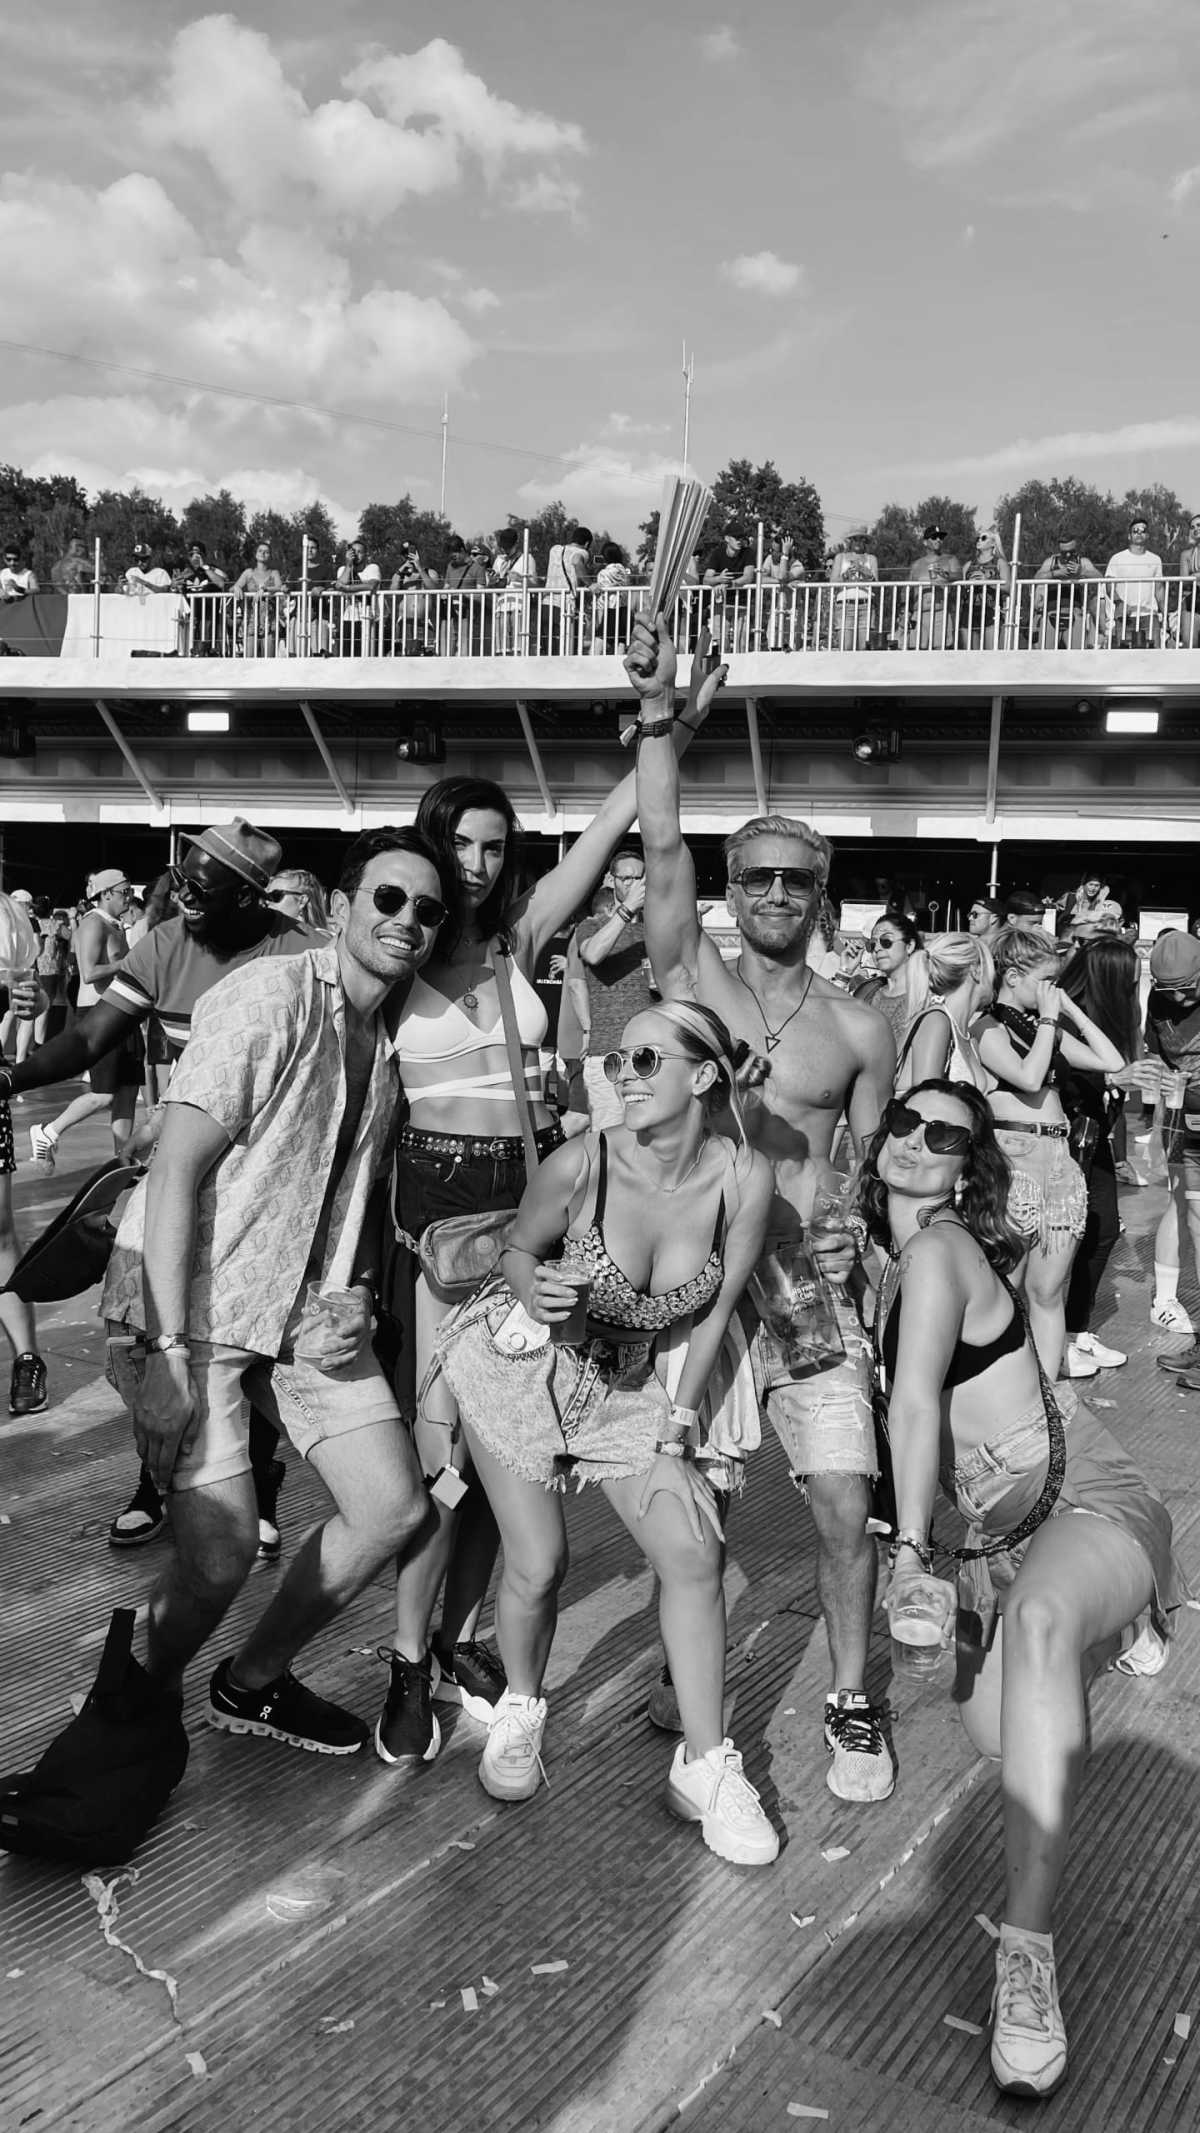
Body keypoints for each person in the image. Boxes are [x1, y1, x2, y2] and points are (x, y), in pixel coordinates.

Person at [378, 656, 729, 1769]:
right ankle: (407, 1659)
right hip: (439, 1208)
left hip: (528, 1192)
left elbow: (614, 825)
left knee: (512, 1450)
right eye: (460, 844)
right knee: (443, 1454)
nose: (477, 865)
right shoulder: (395, 950)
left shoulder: (517, 939)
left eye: (494, 847)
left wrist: (667, 729)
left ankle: (462, 1640)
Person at [97, 828, 451, 1761]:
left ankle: (249, 1683)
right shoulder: (271, 996)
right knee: (217, 1559)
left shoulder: (389, 1041)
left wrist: (360, 1289)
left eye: (426, 909)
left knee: (391, 1509)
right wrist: (168, 1354)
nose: (407, 920)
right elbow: (173, 1172)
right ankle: (135, 1711)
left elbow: (345, 1189)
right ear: (337, 907)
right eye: (387, 898)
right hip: (192, 1308)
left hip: (303, 1309)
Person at [862, 1078, 1178, 2098]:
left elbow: (915, 1405)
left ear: (971, 1167)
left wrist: (909, 1551)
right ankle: (1101, 1618)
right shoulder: (886, 1262)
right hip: (998, 1537)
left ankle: (1027, 1961)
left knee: (1042, 1623)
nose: (916, 1141)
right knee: (1004, 1737)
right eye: (903, 1122)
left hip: (1084, 1494)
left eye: (944, 1134)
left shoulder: (939, 1249)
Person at [632, 613, 899, 1804]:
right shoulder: (694, 979)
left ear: (822, 895)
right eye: (758, 877)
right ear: (731, 892)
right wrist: (658, 720)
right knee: (697, 1502)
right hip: (704, 1286)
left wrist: (865, 1227)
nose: (777, 892)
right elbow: (659, 843)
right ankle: (684, 1671)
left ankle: (850, 1698)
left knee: (844, 1500)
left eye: (798, 878)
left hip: (808, 1294)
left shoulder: (861, 1027)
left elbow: (875, 1163)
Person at [436, 1000, 778, 1862]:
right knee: (538, 1563)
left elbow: (716, 1313)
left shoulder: (744, 1177)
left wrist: (676, 1435)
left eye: (646, 1060)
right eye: (619, 1060)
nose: (624, 1075)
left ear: (704, 1075)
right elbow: (516, 1248)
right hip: (519, 1366)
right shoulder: (581, 1160)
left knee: (695, 1551)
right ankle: (522, 1707)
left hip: (625, 1387)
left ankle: (706, 1764)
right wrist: (532, 1284)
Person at [2, 821, 324, 1548]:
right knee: (146, 1329)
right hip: (182, 1166)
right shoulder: (168, 943)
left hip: (270, 1182)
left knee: (251, 1341)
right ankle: (156, 1480)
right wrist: (10, 1077)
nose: (185, 899)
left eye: (204, 890)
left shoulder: (303, 955)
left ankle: (258, 1486)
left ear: (250, 896)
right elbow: (90, 1038)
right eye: (182, 882)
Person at [972, 926, 1123, 1381]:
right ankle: (1004, 1385)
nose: (1052, 990)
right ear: (1013, 976)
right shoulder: (987, 1027)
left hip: (1059, 1158)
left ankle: (1047, 1387)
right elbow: (1028, 1077)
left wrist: (1069, 1010)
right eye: (1046, 981)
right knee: (1008, 1285)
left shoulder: (1044, 1026)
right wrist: (1051, 1022)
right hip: (1014, 1158)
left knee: (1048, 1289)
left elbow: (1111, 1061)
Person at [1058, 935, 1139, 1379]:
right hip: (1065, 1139)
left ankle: (1076, 1331)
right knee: (1062, 1241)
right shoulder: (1067, 1016)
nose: (1133, 989)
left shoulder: (1105, 1017)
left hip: (1094, 1138)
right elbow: (1056, 1075)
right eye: (1129, 981)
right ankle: (1052, 1339)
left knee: (1103, 1229)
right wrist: (1111, 1077)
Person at [28, 870, 142, 1170]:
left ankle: (122, 1158)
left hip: (124, 1013)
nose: (129, 898)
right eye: (125, 892)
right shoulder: (94, 923)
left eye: (130, 892)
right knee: (103, 1095)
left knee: (128, 1091)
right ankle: (48, 1131)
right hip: (99, 1015)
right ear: (106, 894)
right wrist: (128, 963)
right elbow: (89, 973)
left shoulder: (116, 925)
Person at [1142, 930, 1200, 1348]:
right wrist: (1162, 1078)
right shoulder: (1159, 999)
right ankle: (1164, 1299)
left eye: (1187, 989)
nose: (1178, 999)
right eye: (1169, 991)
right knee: (1182, 1201)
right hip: (1182, 1116)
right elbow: (1154, 1053)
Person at [573, 841, 654, 1127]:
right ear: (611, 880)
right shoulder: (592, 925)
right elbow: (593, 954)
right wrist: (628, 908)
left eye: (639, 878)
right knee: (608, 1139)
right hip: (607, 1055)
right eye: (626, 878)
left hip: (647, 1053)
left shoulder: (652, 929)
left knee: (646, 1138)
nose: (634, 885)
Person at [896, 932, 993, 1093]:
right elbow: (925, 1101)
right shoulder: (936, 1022)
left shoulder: (968, 1038)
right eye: (992, 964)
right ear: (975, 970)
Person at [857, 911, 924, 1050]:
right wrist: (844, 971)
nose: (877, 949)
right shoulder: (868, 991)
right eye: (872, 944)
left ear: (909, 946)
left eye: (886, 941)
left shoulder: (924, 995)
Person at [1031, 539, 1102, 649]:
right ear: (1059, 551)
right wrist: (1055, 573)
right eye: (1064, 553)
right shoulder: (1051, 562)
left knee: (1077, 653)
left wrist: (1082, 572)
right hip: (1051, 613)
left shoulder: (1083, 561)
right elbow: (1037, 578)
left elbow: (1099, 577)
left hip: (1074, 613)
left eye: (1071, 552)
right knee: (1045, 654)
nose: (1068, 555)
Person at [1104, 518, 1164, 646]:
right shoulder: (1117, 558)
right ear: (1129, 536)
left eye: (1143, 530)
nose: (1139, 533)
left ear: (1147, 535)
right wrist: (1119, 603)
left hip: (1149, 614)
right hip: (1124, 616)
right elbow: (1109, 586)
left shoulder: (1156, 559)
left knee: (1155, 654)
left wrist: (1165, 614)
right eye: (1135, 530)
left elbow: (1159, 590)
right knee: (1124, 655)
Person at [908, 524, 963, 650]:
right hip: (919, 614)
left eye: (940, 538)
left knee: (940, 651)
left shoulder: (950, 559)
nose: (938, 540)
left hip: (940, 613)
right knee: (916, 652)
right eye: (934, 537)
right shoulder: (916, 564)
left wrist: (945, 575)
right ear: (925, 542)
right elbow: (907, 590)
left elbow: (960, 576)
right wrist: (904, 612)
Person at [828, 525, 878, 652]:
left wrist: (866, 572)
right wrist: (845, 576)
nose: (858, 542)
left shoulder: (871, 559)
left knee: (864, 648)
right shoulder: (840, 557)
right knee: (846, 647)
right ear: (850, 541)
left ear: (865, 542)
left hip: (866, 605)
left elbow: (877, 584)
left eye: (862, 539)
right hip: (845, 605)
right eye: (855, 539)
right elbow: (832, 582)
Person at [960, 528, 1012, 649]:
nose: (979, 540)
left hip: (991, 611)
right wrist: (967, 585)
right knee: (970, 654)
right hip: (969, 611)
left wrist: (987, 581)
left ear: (993, 543)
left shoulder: (1000, 563)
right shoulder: (968, 565)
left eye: (983, 538)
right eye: (978, 538)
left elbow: (1008, 587)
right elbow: (959, 591)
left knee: (990, 654)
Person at [231, 543, 286, 655]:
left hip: (269, 621)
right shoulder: (248, 573)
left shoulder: (274, 573)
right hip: (251, 620)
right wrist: (236, 588)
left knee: (268, 659)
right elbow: (233, 588)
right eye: (260, 551)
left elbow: (279, 587)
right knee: (249, 659)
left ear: (270, 555)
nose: (263, 553)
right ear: (255, 554)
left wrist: (265, 589)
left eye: (266, 552)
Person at [265, 869, 330, 933]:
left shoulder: (320, 938)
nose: (267, 901)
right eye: (266, 896)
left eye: (276, 895)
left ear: (302, 901)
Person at [1174, 511, 1200, 647]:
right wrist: (1194, 577)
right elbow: (1184, 581)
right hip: (1194, 601)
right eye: (1192, 527)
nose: (1196, 529)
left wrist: (1195, 576)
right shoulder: (1187, 554)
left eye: (1199, 525)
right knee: (1189, 642)